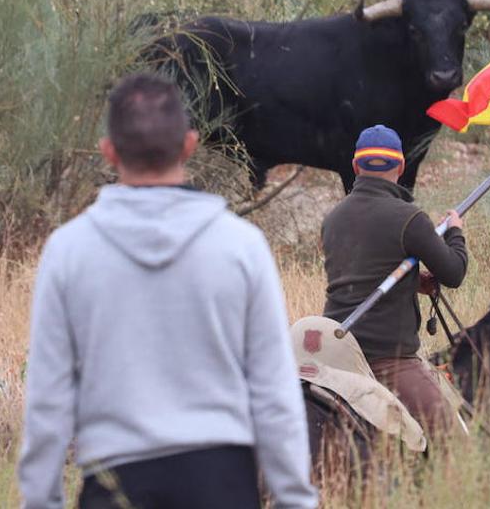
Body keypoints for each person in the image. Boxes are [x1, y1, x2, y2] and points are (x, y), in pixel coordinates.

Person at [18, 73, 317, 509]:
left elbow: (48, 397)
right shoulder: (240, 246)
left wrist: (41, 501)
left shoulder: (68, 251)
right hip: (223, 482)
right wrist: (294, 498)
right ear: (191, 145)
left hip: (115, 482)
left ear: (109, 151)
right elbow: (273, 390)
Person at [321, 124, 468, 432]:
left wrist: (413, 281)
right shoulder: (409, 218)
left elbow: (361, 275)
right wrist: (455, 232)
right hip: (386, 358)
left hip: (335, 351)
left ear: (355, 166)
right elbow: (454, 273)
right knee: (455, 441)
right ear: (401, 167)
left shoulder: (333, 218)